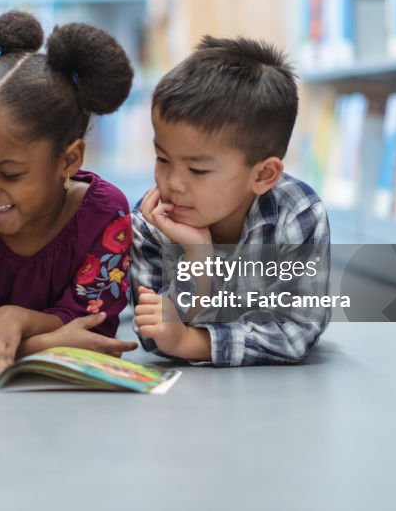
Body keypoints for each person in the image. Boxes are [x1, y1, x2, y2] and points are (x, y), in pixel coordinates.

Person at [0, 10, 138, 379]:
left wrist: (13, 318)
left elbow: (92, 327)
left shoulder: (106, 214)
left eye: (11, 174)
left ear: (69, 160)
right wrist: (40, 344)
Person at [131, 36, 331, 366]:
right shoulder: (150, 220)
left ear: (264, 175)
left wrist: (189, 341)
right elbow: (154, 333)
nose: (172, 183)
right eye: (162, 158)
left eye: (197, 169)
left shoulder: (298, 214)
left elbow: (296, 332)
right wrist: (198, 256)